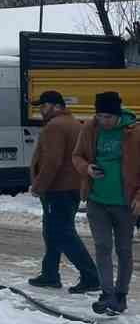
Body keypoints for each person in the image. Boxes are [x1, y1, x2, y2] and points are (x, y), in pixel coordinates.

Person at [73, 91, 140, 316]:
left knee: (123, 249)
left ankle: (121, 295)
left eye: (108, 117)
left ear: (118, 114)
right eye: (100, 116)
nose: (104, 121)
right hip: (97, 200)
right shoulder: (90, 129)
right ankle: (106, 293)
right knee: (102, 247)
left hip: (124, 202)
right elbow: (77, 156)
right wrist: (87, 169)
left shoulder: (134, 132)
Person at [27, 90, 99, 293]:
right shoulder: (73, 123)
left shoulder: (55, 126)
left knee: (62, 232)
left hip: (57, 188)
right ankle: (49, 274)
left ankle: (90, 276)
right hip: (71, 186)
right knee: (52, 231)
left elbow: (52, 161)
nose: (41, 109)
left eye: (44, 105)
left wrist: (39, 185)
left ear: (57, 106)